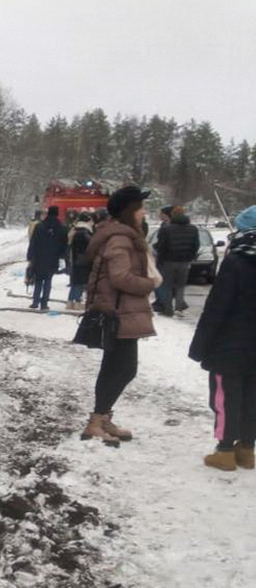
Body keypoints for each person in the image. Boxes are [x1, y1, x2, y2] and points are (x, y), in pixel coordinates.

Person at [81, 186, 161, 445]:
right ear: (130, 211)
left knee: (117, 367)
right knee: (123, 368)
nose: (144, 212)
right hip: (118, 313)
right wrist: (149, 284)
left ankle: (101, 418)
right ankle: (96, 421)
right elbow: (120, 277)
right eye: (141, 207)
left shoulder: (122, 236)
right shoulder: (120, 239)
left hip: (121, 312)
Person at [190, 205, 256, 471]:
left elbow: (217, 307)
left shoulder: (237, 261)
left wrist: (200, 346)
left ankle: (225, 450)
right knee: (252, 397)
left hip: (229, 346)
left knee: (225, 397)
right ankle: (247, 449)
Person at [153, 206, 200, 316]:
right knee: (180, 285)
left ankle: (168, 309)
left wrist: (161, 259)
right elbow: (196, 245)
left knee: (168, 285)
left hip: (169, 261)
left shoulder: (167, 229)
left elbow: (161, 246)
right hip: (184, 261)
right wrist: (190, 257)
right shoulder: (193, 229)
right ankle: (179, 307)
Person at [26, 206, 68, 310]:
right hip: (53, 258)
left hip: (39, 257)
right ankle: (44, 303)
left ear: (48, 213)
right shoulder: (62, 228)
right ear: (57, 213)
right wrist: (62, 258)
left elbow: (33, 242)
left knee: (38, 280)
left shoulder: (40, 226)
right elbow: (64, 245)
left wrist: (30, 256)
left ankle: (35, 302)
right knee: (48, 281)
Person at [67, 212, 94, 310]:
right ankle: (77, 302)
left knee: (75, 282)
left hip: (76, 260)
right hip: (82, 261)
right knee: (80, 282)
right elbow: (90, 246)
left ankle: (70, 301)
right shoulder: (84, 232)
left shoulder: (76, 230)